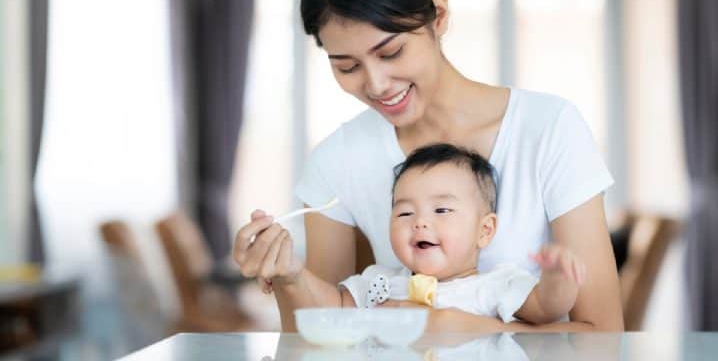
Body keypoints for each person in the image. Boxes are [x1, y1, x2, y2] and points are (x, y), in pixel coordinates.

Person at [233, 0, 623, 332]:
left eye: (391, 52)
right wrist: (284, 275)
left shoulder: (548, 129)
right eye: (347, 66)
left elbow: (604, 335)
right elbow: (322, 333)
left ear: (439, 14)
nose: (377, 84)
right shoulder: (335, 163)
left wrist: (461, 329)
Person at [236, 144, 585, 328]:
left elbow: (545, 310)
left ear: (485, 230)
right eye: (404, 212)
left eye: (442, 211)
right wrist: (293, 272)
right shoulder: (381, 283)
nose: (419, 223)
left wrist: (559, 278)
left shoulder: (495, 285)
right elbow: (334, 307)